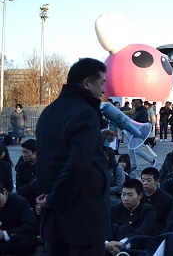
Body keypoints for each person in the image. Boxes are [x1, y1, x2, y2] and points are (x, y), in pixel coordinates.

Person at [36, 58, 113, 255]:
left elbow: (57, 155)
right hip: (83, 219)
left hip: (54, 221)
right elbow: (77, 165)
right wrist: (54, 199)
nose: (103, 90)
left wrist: (95, 139)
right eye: (102, 82)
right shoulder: (86, 113)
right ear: (87, 83)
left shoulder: (48, 112)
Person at [106, 179, 156, 255]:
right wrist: (109, 244)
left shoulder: (148, 210)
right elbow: (103, 228)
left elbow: (144, 230)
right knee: (114, 227)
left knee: (125, 229)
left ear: (140, 195)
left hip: (135, 247)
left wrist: (122, 243)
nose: (125, 198)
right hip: (110, 248)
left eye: (130, 195)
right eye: (123, 194)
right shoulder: (114, 209)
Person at [0, 182, 38, 255]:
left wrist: (5, 234)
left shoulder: (20, 202)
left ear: (4, 191)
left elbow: (31, 225)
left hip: (18, 239)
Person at [140, 167, 173, 235]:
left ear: (157, 181)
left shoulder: (167, 199)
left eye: (149, 180)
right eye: (143, 180)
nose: (145, 183)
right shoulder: (138, 195)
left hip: (157, 231)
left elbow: (168, 221)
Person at [129, 99, 157, 170]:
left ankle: (151, 160)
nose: (135, 104)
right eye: (135, 103)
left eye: (137, 103)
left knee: (137, 150)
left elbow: (144, 122)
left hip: (139, 133)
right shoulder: (137, 111)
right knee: (131, 148)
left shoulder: (142, 111)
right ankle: (133, 164)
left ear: (141, 104)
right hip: (135, 132)